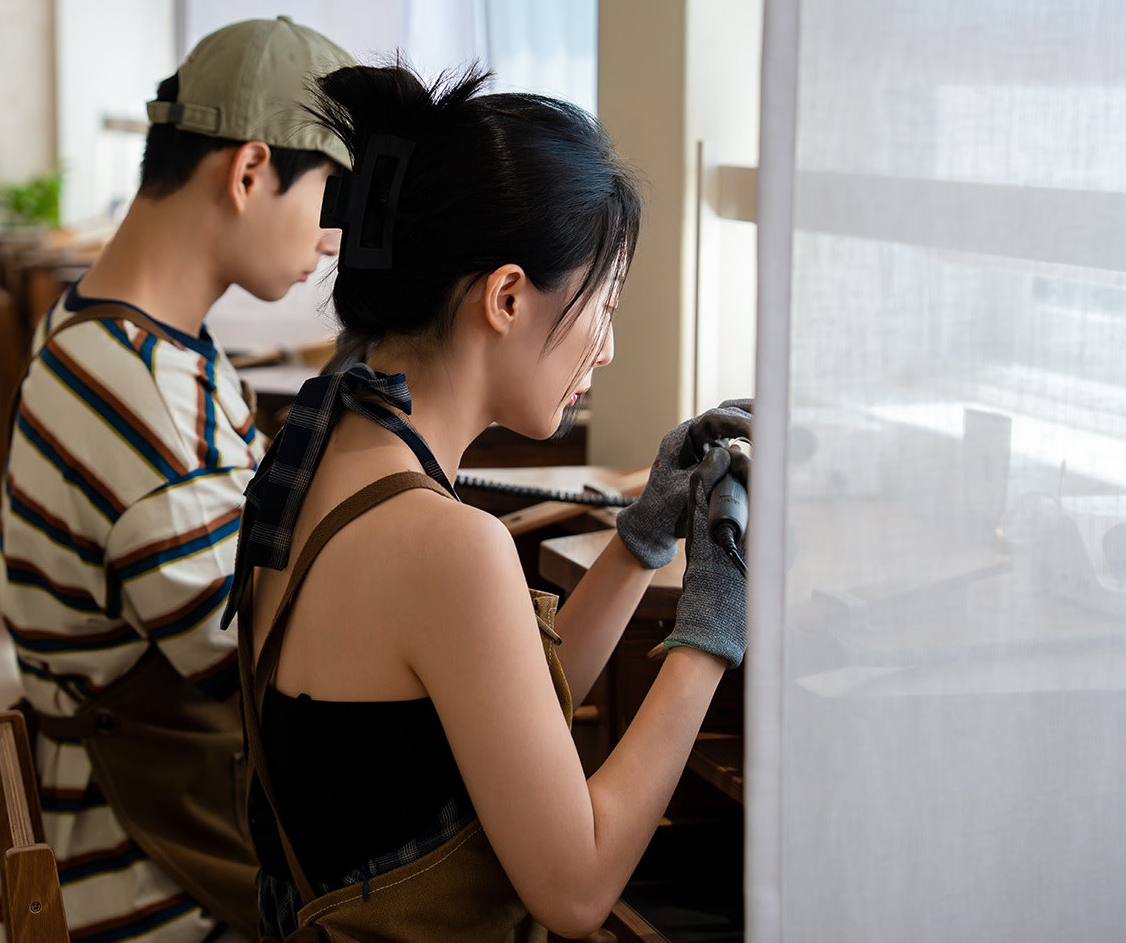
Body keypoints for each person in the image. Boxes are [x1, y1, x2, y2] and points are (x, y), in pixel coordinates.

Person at [224, 63, 752, 942]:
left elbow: (504, 719)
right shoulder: (443, 544)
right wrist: (713, 626)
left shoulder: (328, 445)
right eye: (602, 304)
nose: (608, 348)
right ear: (505, 297)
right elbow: (576, 889)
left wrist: (641, 541)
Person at [0, 17, 354, 943]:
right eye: (331, 195)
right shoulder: (148, 394)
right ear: (247, 173)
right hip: (155, 894)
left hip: (127, 834)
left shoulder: (108, 332)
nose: (334, 238)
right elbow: (264, 678)